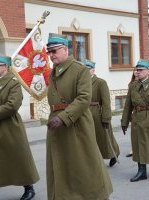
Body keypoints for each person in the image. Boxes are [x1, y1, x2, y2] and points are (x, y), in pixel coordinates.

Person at [46, 33, 113, 200]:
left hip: (76, 123)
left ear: (64, 49)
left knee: (83, 164)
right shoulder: (52, 73)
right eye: (49, 52)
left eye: (54, 51)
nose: (51, 55)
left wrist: (62, 117)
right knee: (61, 165)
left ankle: (96, 195)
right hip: (56, 125)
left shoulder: (80, 69)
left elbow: (84, 98)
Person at [0, 55, 39, 200]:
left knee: (19, 160)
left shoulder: (14, 84)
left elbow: (12, 106)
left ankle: (29, 188)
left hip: (11, 127)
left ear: (5, 67)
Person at [84, 59, 120, 167]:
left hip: (97, 113)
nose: (86, 71)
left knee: (104, 136)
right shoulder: (81, 83)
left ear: (93, 70)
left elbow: (106, 102)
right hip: (85, 113)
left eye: (88, 69)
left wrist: (106, 118)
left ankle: (114, 153)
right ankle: (93, 159)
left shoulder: (100, 82)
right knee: (89, 137)